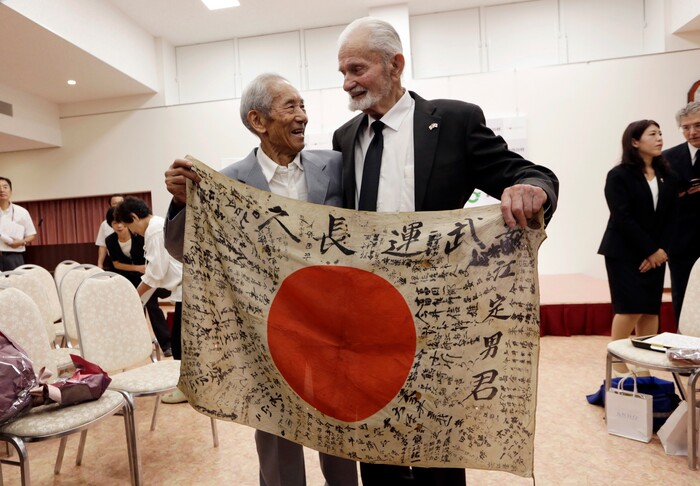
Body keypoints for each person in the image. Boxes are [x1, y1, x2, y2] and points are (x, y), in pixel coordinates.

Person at [332, 17, 559, 486]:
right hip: (367, 317)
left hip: (438, 318)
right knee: (375, 440)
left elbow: (531, 173)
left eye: (357, 69)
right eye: (342, 73)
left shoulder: (454, 120)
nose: (348, 83)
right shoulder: (344, 137)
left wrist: (530, 189)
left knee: (437, 444)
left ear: (395, 65)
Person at [162, 73, 358, 486]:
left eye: (303, 105)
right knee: (278, 432)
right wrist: (181, 201)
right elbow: (183, 249)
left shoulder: (338, 165)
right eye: (291, 106)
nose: (303, 116)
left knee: (341, 431)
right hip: (268, 329)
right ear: (258, 120)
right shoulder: (227, 181)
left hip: (333, 325)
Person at [598, 120, 678, 374]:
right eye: (652, 134)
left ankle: (644, 364)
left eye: (660, 133)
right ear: (635, 141)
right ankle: (618, 363)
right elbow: (622, 217)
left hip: (657, 253)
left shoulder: (667, 175)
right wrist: (650, 250)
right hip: (623, 252)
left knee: (649, 311)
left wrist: (662, 251)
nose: (659, 138)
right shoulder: (619, 175)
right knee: (629, 308)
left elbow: (672, 217)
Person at [113, 196, 184, 403]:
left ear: (135, 217)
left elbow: (156, 273)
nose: (133, 232)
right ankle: (187, 387)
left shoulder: (153, 230)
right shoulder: (160, 223)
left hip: (185, 288)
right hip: (184, 288)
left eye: (130, 226)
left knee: (180, 345)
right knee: (181, 343)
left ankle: (185, 389)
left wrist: (133, 298)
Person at [104, 207, 172, 357]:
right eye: (115, 223)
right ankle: (135, 346)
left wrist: (145, 271)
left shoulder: (140, 235)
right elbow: (116, 264)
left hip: (146, 278)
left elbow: (152, 264)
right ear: (110, 224)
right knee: (132, 312)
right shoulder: (110, 240)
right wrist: (137, 268)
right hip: (125, 280)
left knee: (152, 306)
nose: (119, 226)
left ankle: (166, 344)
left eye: (121, 222)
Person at [663, 101, 700, 324]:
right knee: (683, 295)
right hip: (681, 242)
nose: (692, 132)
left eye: (697, 125)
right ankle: (683, 343)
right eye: (686, 127)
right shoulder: (667, 157)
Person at [0, 177, 37, 271]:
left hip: (14, 256)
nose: (1, 190)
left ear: (11, 191)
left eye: (5, 187)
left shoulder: (22, 212)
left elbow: (31, 234)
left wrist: (21, 242)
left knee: (15, 284)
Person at [95, 194, 125, 269]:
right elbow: (103, 245)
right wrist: (100, 264)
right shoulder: (105, 224)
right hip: (114, 260)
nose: (118, 206)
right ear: (110, 205)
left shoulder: (131, 220)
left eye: (120, 203)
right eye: (114, 203)